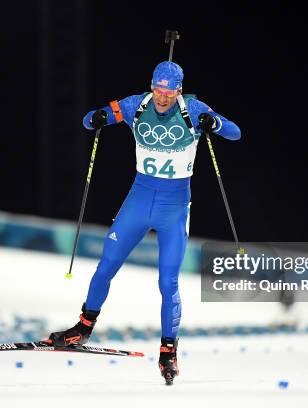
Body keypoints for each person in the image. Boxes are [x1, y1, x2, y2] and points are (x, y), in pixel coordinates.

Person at [48, 61, 241, 383]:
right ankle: (82, 328)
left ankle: (168, 351)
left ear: (178, 90)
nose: (163, 97)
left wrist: (215, 123)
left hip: (173, 208)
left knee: (168, 283)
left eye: (169, 91)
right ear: (152, 86)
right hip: (138, 201)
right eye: (158, 89)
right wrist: (97, 119)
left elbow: (235, 133)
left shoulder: (192, 108)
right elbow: (90, 119)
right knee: (106, 265)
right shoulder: (134, 105)